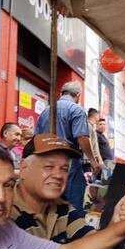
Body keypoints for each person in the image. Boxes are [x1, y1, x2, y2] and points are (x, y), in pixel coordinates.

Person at [11, 133, 125, 249]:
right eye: (48, 167)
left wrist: (115, 223)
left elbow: (89, 245)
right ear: (24, 169)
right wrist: (123, 228)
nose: (58, 175)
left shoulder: (62, 207)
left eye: (64, 169)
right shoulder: (6, 211)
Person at [36, 81, 102, 210]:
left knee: (51, 203)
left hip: (45, 161)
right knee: (74, 204)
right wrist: (93, 161)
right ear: (78, 95)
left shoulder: (46, 111)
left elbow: (36, 139)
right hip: (68, 160)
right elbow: (82, 137)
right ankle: (73, 228)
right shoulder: (76, 110)